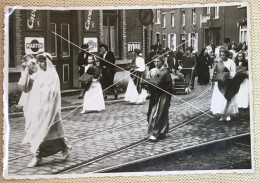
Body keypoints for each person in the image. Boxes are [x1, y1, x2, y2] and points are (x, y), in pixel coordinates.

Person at [22, 52, 71, 167]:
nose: (39, 64)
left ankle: (64, 147)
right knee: (37, 131)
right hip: (37, 108)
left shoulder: (52, 75)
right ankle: (37, 156)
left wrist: (43, 96)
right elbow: (27, 87)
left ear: (47, 62)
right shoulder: (38, 74)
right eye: (38, 61)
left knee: (51, 132)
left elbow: (53, 92)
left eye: (42, 61)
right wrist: (27, 71)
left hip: (49, 108)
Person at [143, 55, 172, 141]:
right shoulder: (153, 71)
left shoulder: (165, 71)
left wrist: (158, 83)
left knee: (158, 113)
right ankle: (163, 131)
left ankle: (155, 133)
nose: (156, 63)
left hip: (163, 95)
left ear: (162, 61)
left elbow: (168, 85)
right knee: (153, 112)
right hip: (155, 95)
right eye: (154, 62)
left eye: (158, 61)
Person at [210, 49, 238, 121]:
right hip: (220, 83)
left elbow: (233, 73)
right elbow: (215, 71)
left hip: (228, 83)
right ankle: (222, 114)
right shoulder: (219, 62)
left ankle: (228, 114)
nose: (222, 57)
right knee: (220, 99)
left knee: (227, 99)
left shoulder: (231, 62)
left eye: (224, 55)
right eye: (221, 55)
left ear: (227, 55)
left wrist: (227, 76)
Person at [18, 54, 37, 121]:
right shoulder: (26, 72)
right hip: (28, 92)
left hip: (36, 92)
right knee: (28, 107)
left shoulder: (37, 72)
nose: (32, 66)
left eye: (33, 64)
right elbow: (20, 83)